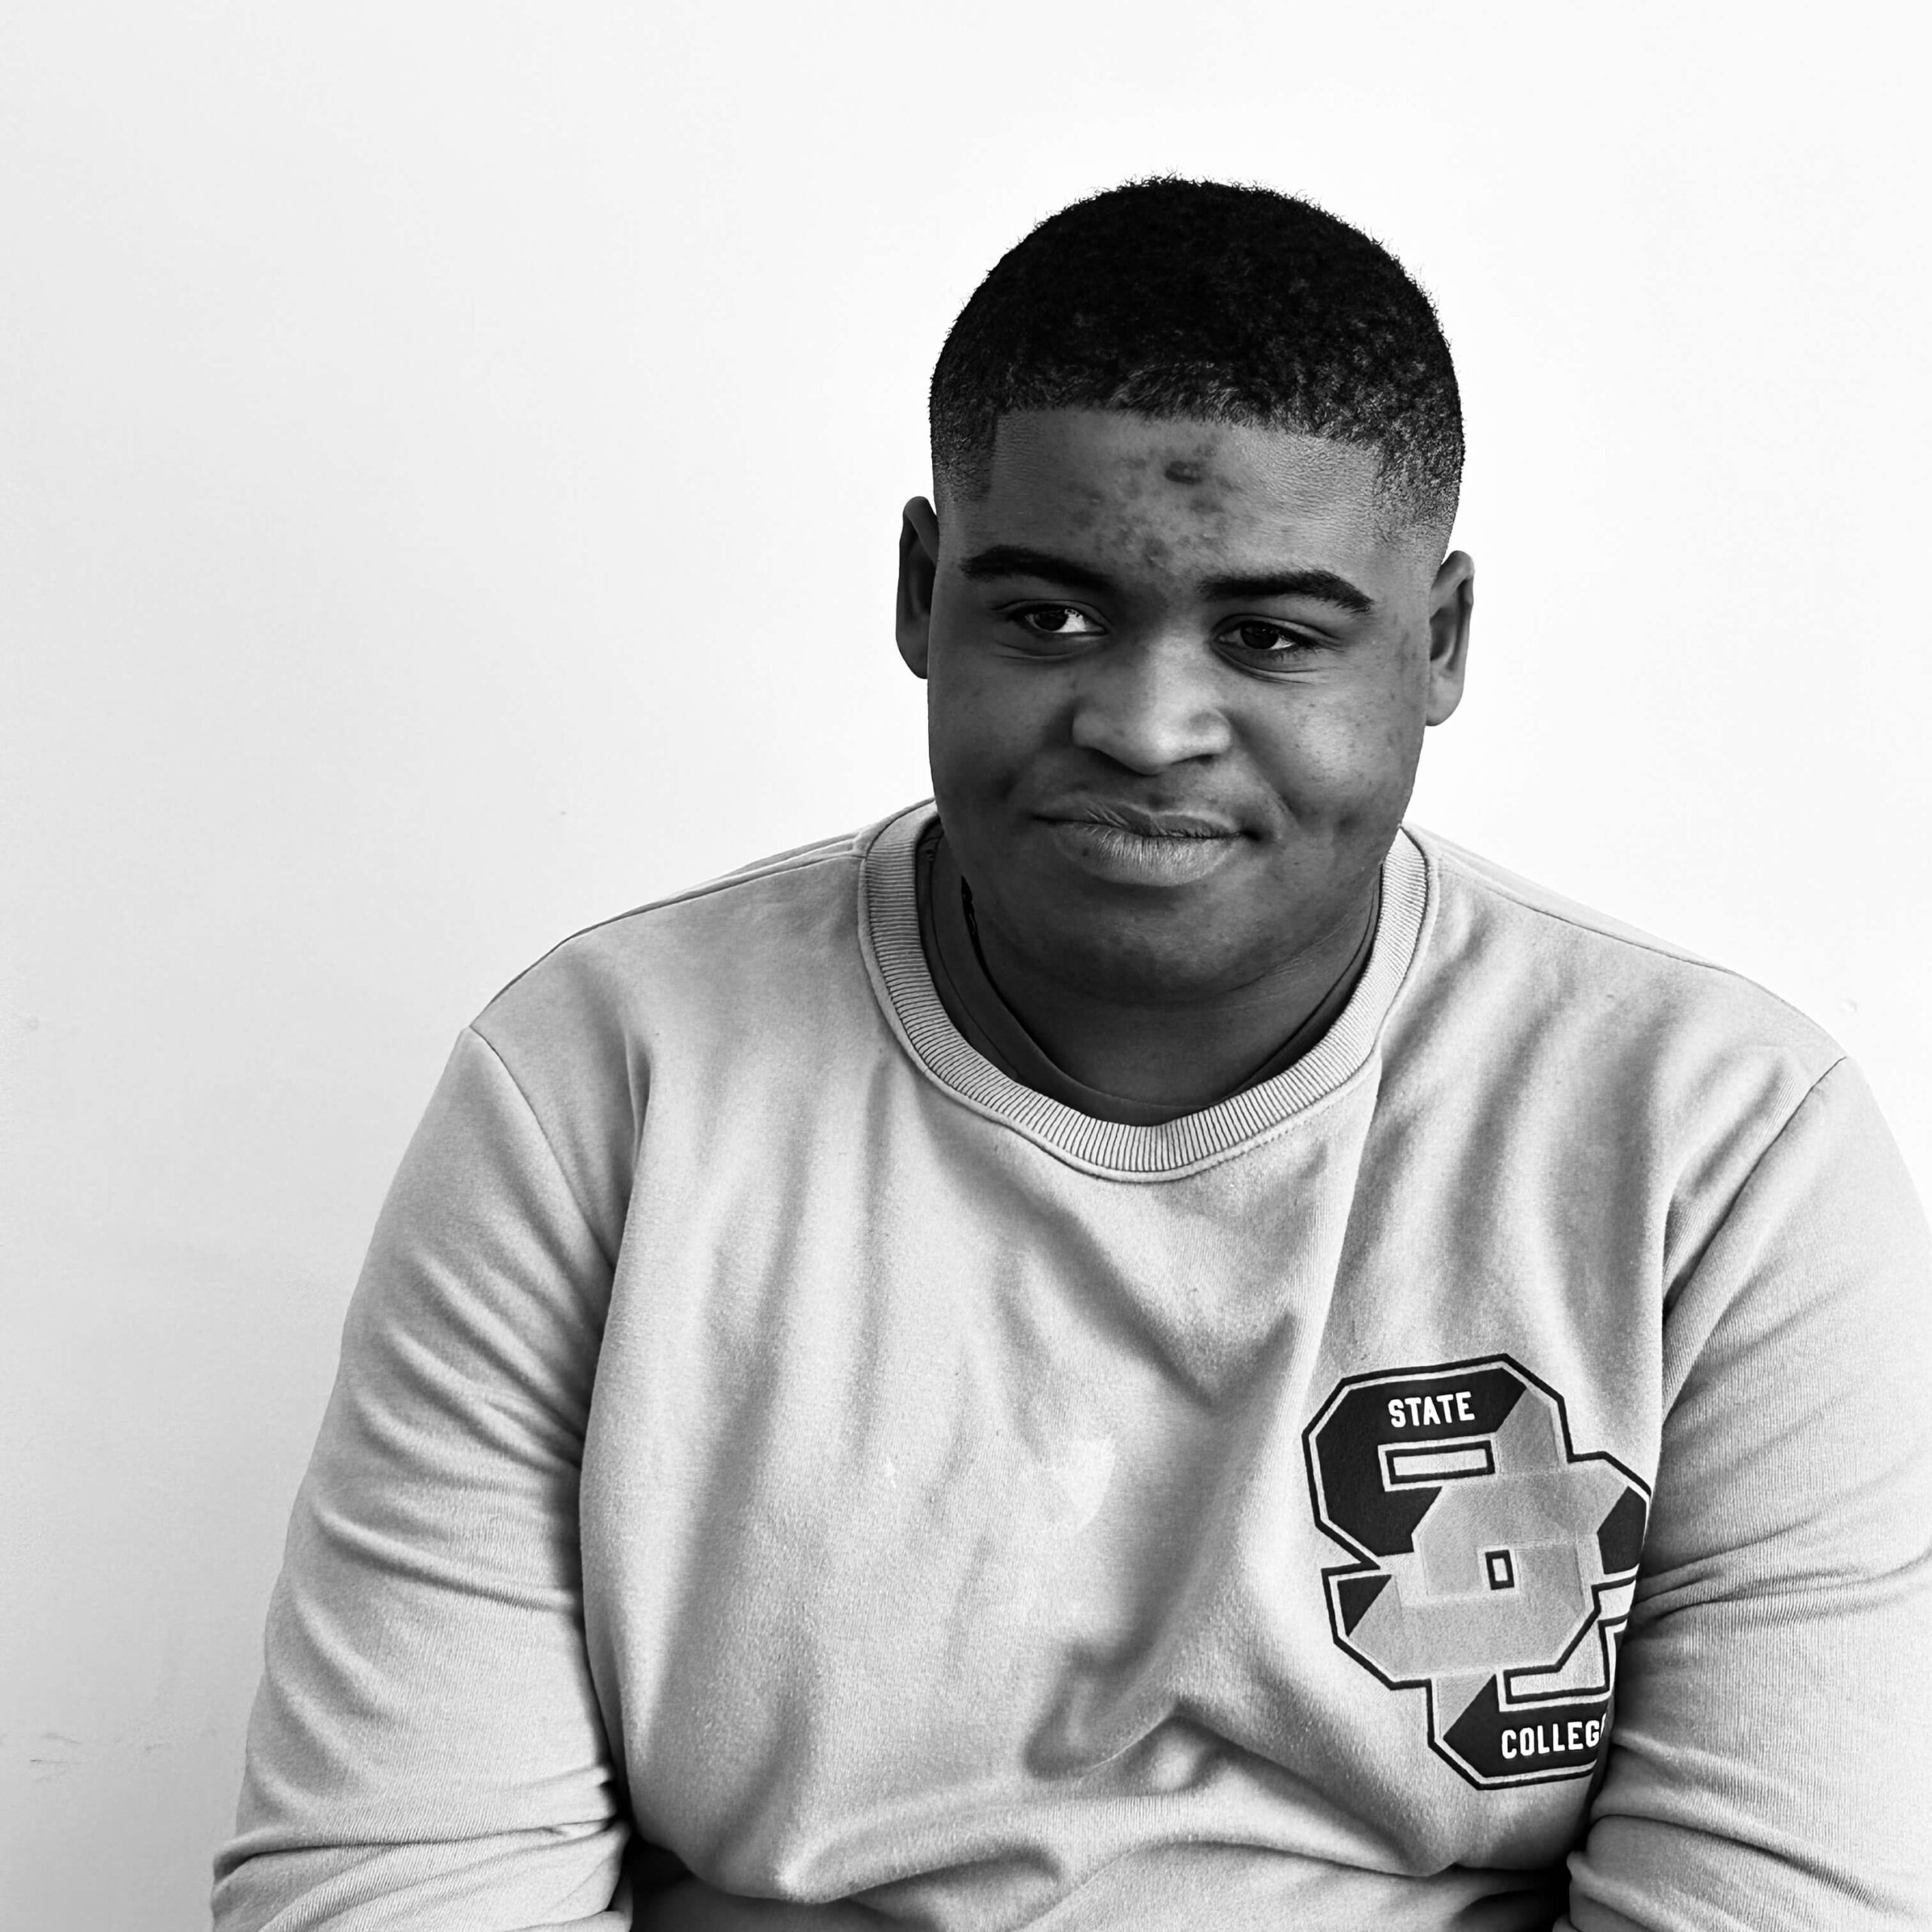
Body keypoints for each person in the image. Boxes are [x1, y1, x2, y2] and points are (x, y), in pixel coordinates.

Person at [213, 179, 1932, 1931]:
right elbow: (382, 1889)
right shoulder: (602, 1084)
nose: (1145, 725)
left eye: (1270, 636)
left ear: (1434, 644)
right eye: (1046, 616)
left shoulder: (1714, 1141)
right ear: (920, 592)